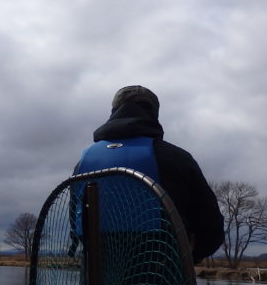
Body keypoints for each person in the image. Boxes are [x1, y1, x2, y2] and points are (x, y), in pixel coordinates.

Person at [73, 85, 224, 263]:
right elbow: (211, 227)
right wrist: (191, 259)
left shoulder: (83, 162)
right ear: (154, 114)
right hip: (162, 274)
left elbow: (75, 221)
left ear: (114, 111)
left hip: (97, 276)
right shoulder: (177, 158)